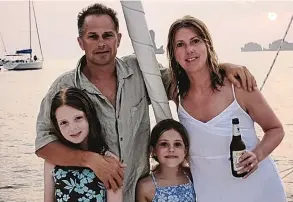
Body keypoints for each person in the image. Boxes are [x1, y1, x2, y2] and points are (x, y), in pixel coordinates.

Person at [35, 3, 256, 201]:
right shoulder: (64, 87)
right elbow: (44, 143)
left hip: (136, 194)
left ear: (118, 39)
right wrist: (91, 160)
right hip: (87, 194)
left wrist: (223, 68)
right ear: (81, 42)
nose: (101, 43)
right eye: (93, 36)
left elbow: (185, 80)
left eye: (108, 35)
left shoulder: (140, 71)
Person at [166, 15, 287, 201]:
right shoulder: (176, 93)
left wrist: (257, 155)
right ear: (173, 53)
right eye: (180, 45)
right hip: (209, 193)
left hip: (258, 190)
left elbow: (276, 129)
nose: (189, 50)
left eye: (195, 41)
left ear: (207, 45)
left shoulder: (237, 86)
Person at [44, 87, 123, 202]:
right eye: (64, 123)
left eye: (78, 118)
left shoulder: (109, 161)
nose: (73, 128)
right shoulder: (52, 162)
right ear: (57, 126)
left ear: (89, 116)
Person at [136, 119, 196, 202]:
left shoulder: (192, 176)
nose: (171, 149)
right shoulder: (145, 186)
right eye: (164, 144)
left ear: (185, 151)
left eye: (177, 144)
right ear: (153, 150)